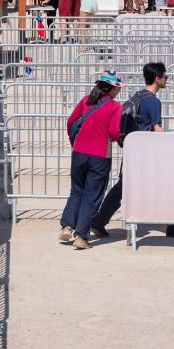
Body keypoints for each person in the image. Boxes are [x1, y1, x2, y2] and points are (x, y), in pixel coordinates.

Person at [92, 63, 174, 240]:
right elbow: (157, 129)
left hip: (134, 152)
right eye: (165, 77)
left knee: (122, 188)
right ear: (157, 78)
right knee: (171, 186)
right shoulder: (153, 101)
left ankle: (99, 221)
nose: (166, 80)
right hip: (149, 155)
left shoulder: (137, 96)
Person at [58, 71, 124, 250]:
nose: (118, 91)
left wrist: (75, 143)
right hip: (99, 156)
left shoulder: (86, 100)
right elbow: (113, 132)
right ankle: (81, 235)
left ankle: (67, 226)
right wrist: (122, 139)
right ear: (112, 88)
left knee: (76, 191)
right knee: (92, 197)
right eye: (118, 88)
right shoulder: (115, 106)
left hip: (79, 152)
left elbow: (71, 121)